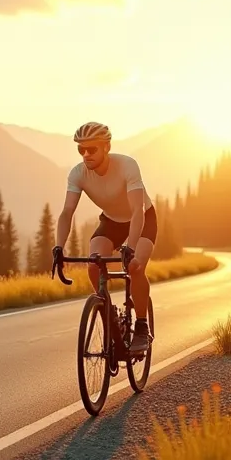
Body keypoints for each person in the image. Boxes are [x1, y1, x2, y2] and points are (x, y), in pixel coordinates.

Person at [53, 122, 156, 353]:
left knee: (136, 267)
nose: (86, 155)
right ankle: (110, 318)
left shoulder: (127, 166)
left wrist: (130, 247)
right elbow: (67, 212)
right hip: (110, 221)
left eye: (92, 149)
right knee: (93, 264)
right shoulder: (78, 173)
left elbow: (137, 211)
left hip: (141, 219)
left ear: (106, 147)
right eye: (81, 150)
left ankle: (141, 326)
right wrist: (58, 247)